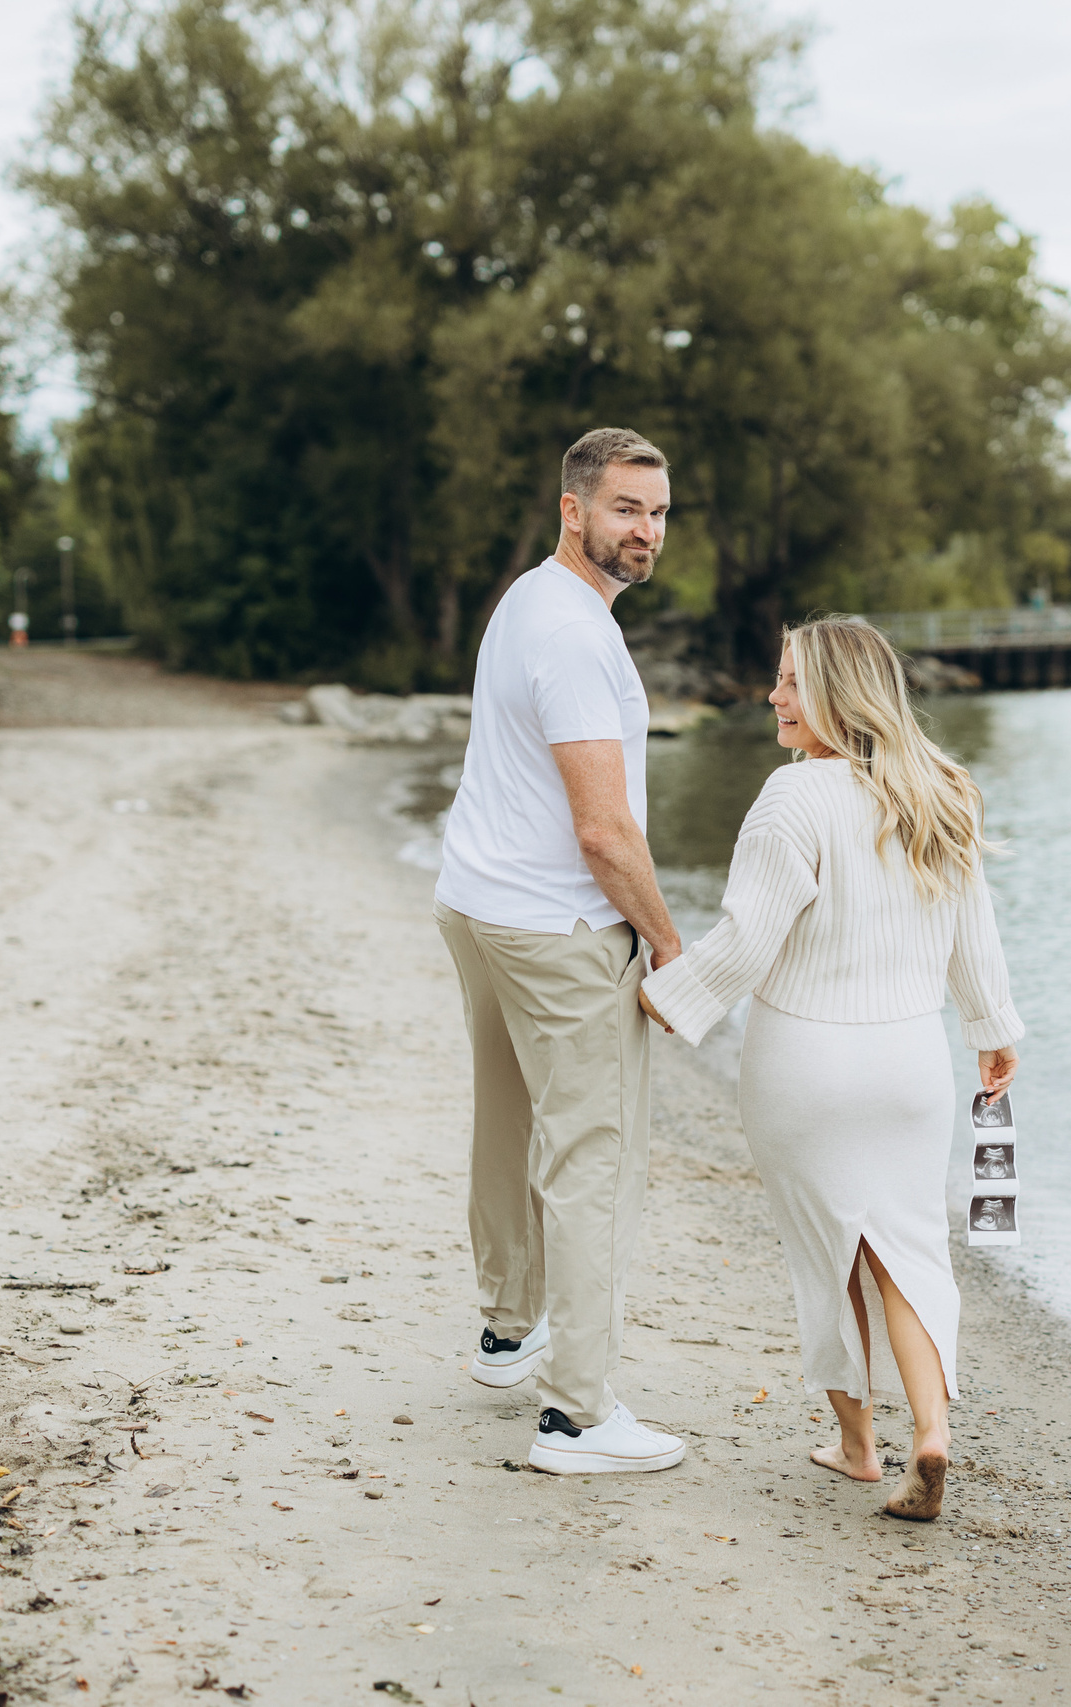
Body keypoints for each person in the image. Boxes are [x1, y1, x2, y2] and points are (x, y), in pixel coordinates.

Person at [638, 617, 1023, 1522]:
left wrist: (666, 1001)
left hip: (805, 1060)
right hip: (909, 1063)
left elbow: (747, 940)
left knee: (829, 1252)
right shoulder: (944, 789)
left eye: (789, 681)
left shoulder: (792, 797)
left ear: (838, 695)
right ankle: (931, 1431)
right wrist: (994, 1028)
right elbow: (976, 931)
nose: (773, 696)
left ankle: (858, 1446)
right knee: (911, 1250)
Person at [433, 427, 688, 1477]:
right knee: (593, 1160)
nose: (646, 531)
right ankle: (577, 1416)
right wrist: (668, 947)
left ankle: (508, 1333)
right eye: (627, 509)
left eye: (660, 512)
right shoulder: (577, 636)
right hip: (558, 928)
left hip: (481, 907)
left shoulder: (530, 600)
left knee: (507, 1125)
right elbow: (602, 831)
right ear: (572, 510)